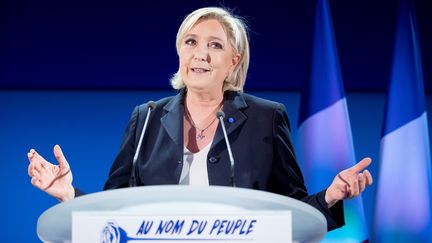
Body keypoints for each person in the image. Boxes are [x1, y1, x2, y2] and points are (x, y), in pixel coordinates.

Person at [27, 7, 373, 231]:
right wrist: (68, 193)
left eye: (215, 46)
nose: (201, 54)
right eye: (191, 42)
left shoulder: (266, 118)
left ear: (233, 62)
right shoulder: (146, 119)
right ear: (180, 53)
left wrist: (331, 196)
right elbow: (112, 213)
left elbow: (293, 213)